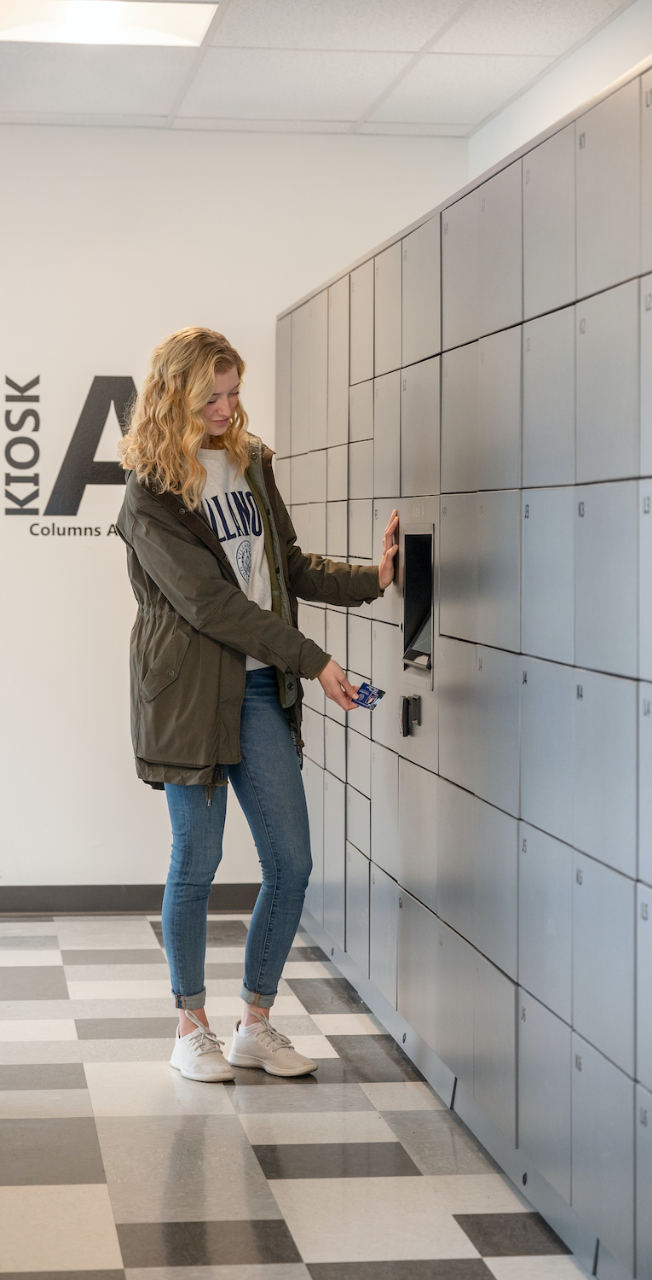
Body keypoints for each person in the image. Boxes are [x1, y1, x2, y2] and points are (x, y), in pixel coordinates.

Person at [116, 327, 398, 1083]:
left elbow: (285, 567)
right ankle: (190, 1024)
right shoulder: (149, 496)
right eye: (211, 395)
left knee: (291, 861)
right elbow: (211, 604)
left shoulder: (249, 464)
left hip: (256, 687)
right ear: (174, 395)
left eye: (234, 391)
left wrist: (373, 578)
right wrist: (316, 662)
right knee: (197, 863)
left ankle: (256, 1023)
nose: (226, 406)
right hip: (187, 699)